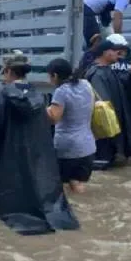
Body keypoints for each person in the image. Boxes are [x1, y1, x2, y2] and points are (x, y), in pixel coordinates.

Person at [0, 53, 80, 235]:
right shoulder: (38, 95)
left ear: (8, 71)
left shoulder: (1, 94)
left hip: (9, 156)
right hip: (34, 155)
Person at [84, 40, 131, 169]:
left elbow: (125, 86)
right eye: (113, 50)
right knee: (104, 162)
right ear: (105, 53)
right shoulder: (97, 74)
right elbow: (101, 107)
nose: (116, 53)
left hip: (113, 127)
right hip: (105, 132)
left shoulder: (107, 70)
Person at [45, 58, 95, 193]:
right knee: (79, 185)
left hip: (68, 149)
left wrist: (39, 107)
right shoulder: (86, 84)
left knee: (65, 188)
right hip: (88, 146)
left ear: (55, 75)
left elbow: (54, 118)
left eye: (49, 76)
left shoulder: (61, 91)